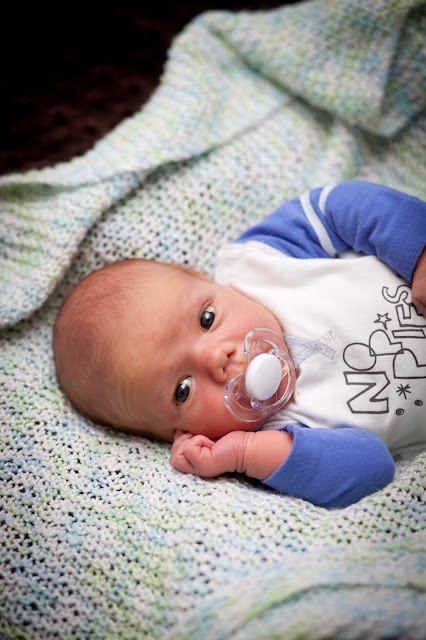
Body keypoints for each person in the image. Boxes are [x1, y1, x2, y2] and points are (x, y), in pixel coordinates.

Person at [53, 181, 426, 508]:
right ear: (182, 435)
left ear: (203, 279)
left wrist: (418, 251)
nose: (216, 358)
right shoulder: (280, 438)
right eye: (183, 390)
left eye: (207, 319)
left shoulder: (257, 263)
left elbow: (338, 207)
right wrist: (245, 455)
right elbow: (373, 469)